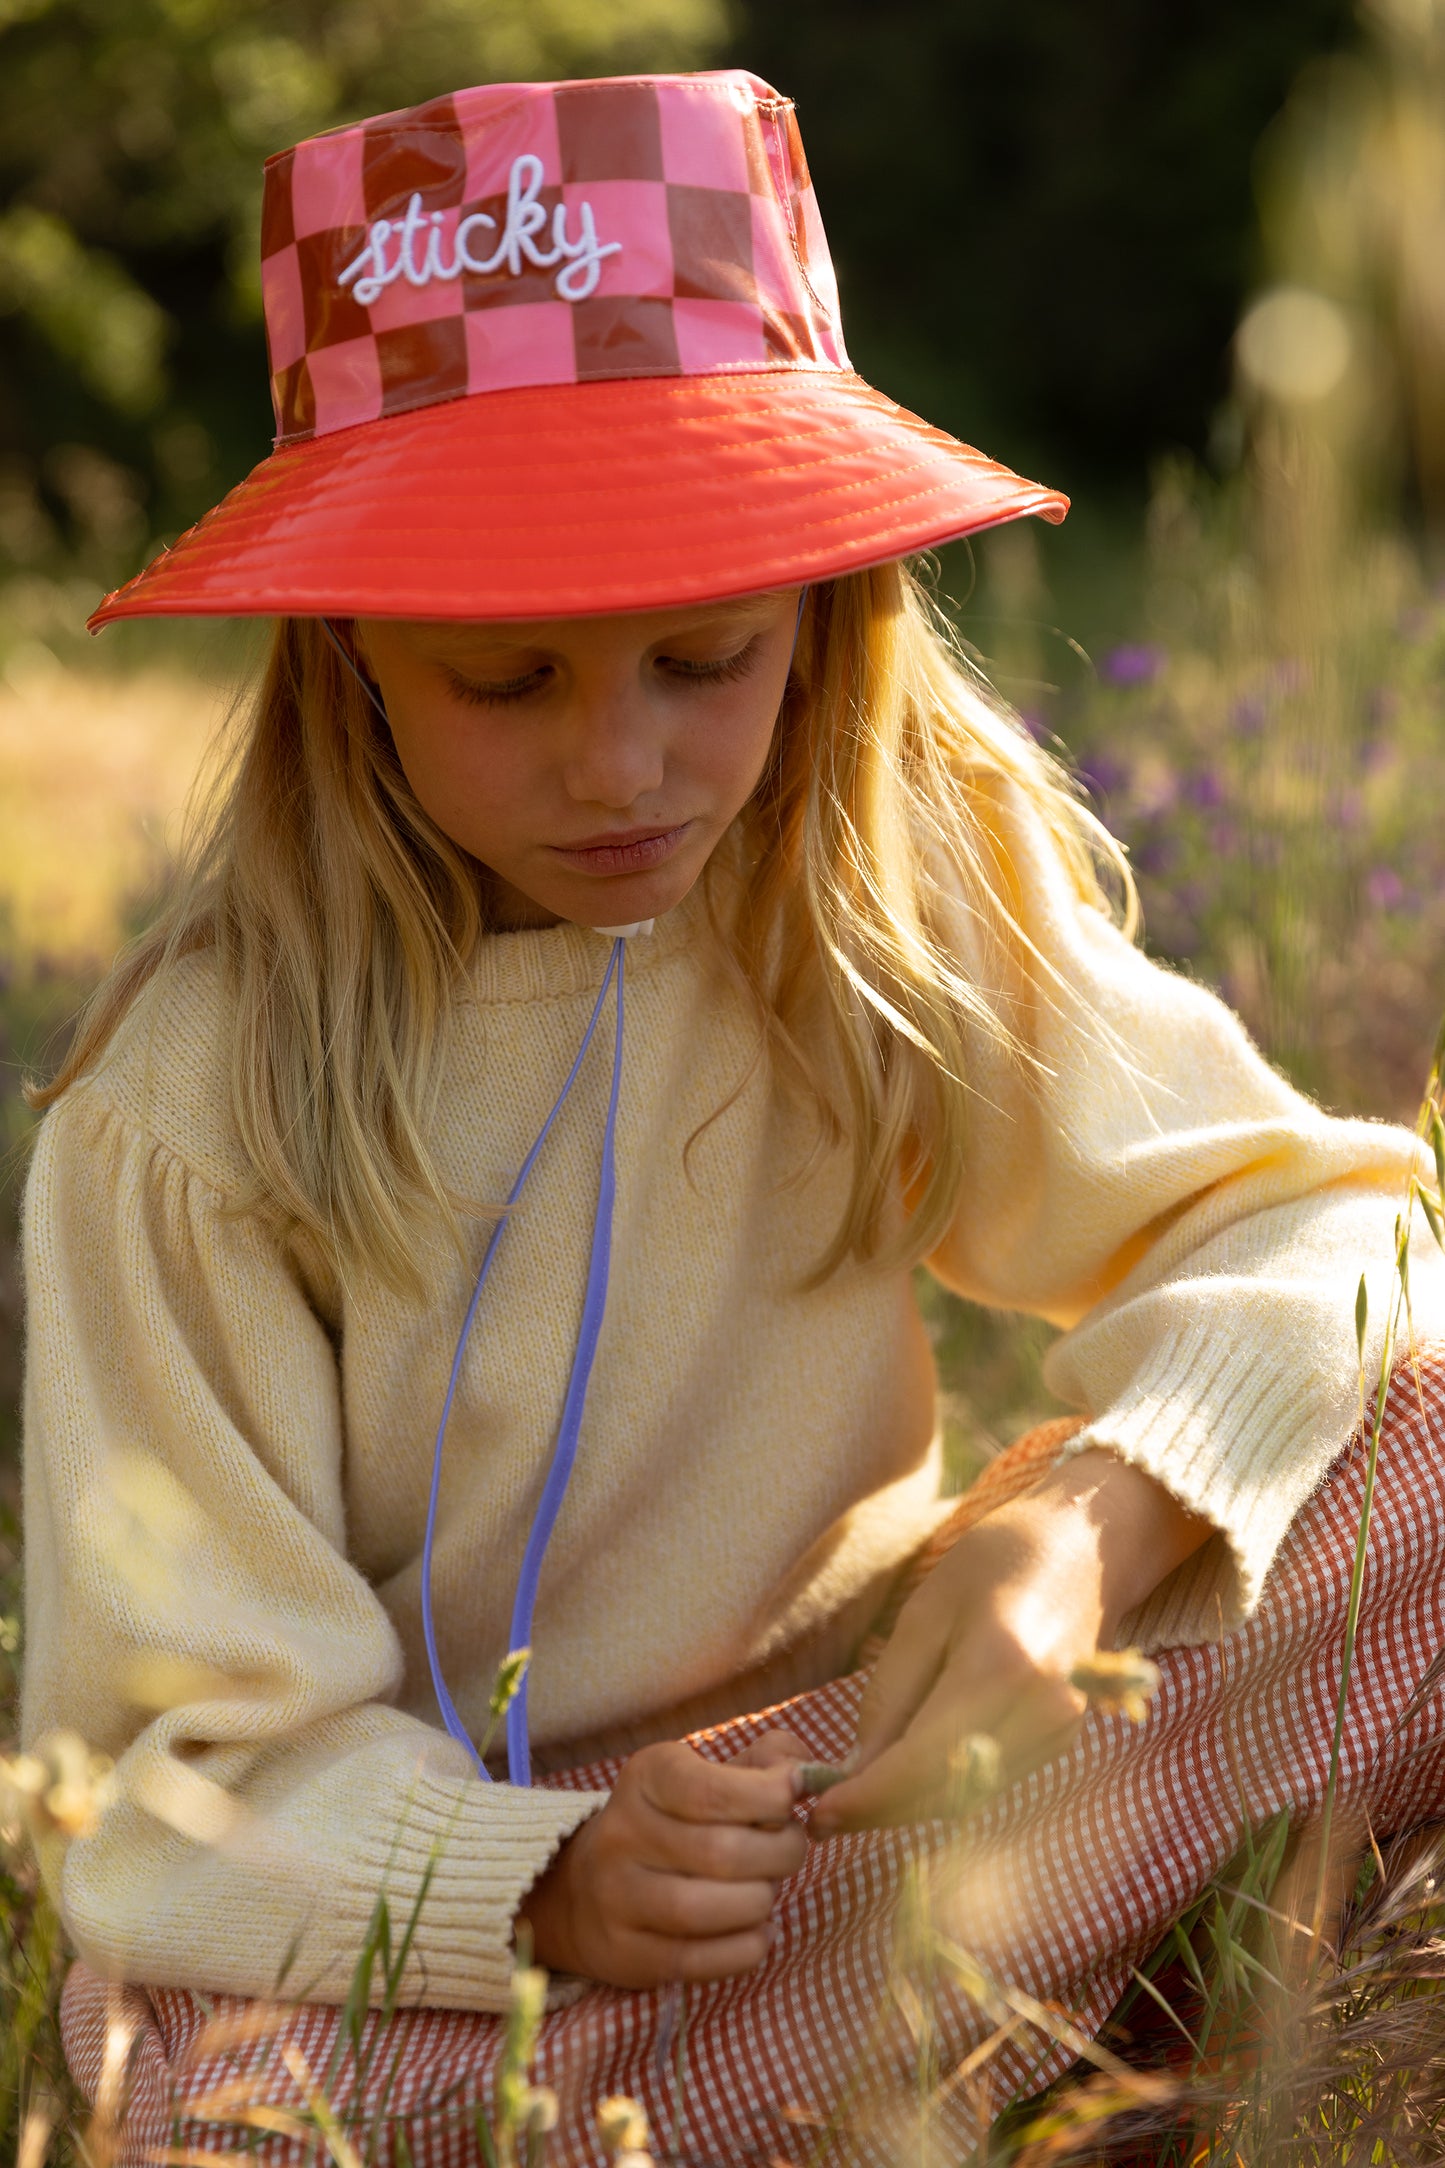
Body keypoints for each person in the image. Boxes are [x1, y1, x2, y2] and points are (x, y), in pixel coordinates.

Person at [24, 66, 1445, 2168]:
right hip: (488, 1961)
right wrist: (538, 1877)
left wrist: (1098, 1519)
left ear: (822, 617)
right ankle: (1027, 2041)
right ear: (349, 653)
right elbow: (166, 1771)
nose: (625, 767)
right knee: (199, 2087)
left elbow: (1324, 1232)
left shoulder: (876, 892)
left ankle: (993, 2022)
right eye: (508, 684)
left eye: (705, 658)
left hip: (875, 1795)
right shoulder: (193, 1121)